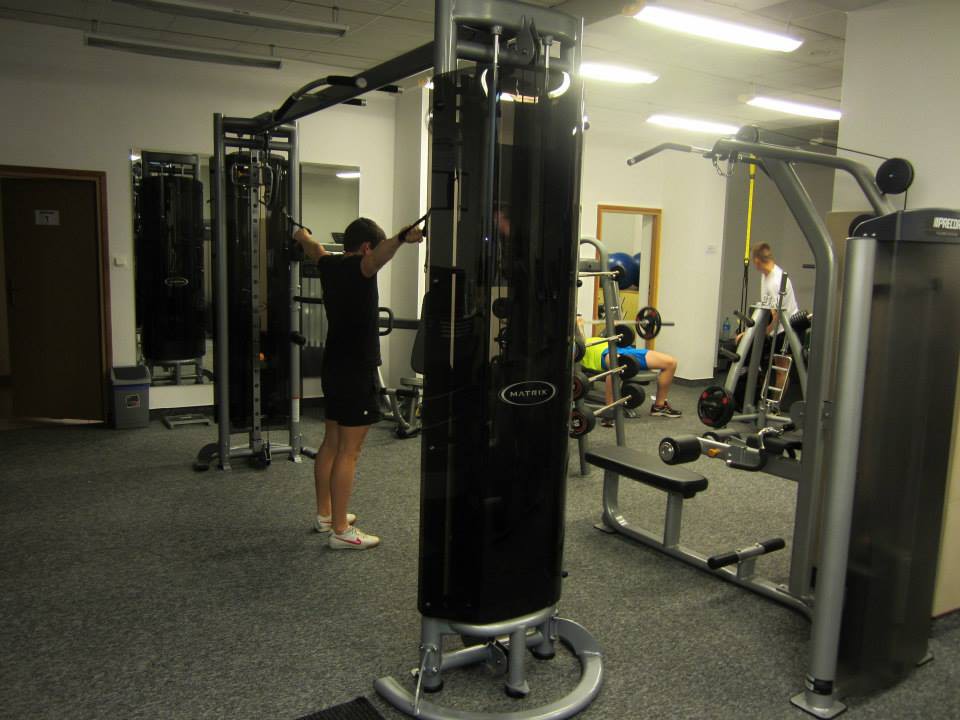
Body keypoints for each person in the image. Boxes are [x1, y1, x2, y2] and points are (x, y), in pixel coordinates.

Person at [293, 217, 424, 550]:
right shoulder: (360, 269)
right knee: (349, 452)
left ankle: (326, 515)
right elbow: (380, 255)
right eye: (373, 250)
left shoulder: (329, 265)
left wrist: (300, 235)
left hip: (334, 366)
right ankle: (341, 530)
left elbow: (313, 247)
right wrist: (402, 238)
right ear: (366, 247)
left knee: (331, 444)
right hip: (355, 370)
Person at [578, 318, 681, 419]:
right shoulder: (578, 347)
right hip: (603, 353)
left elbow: (613, 335)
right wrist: (580, 327)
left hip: (623, 348)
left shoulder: (598, 338)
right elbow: (581, 344)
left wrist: (614, 326)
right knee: (617, 365)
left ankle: (659, 406)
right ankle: (610, 410)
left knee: (670, 363)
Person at [750, 243, 800, 337]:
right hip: (776, 330)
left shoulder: (776, 281)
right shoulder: (765, 274)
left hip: (785, 333)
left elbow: (777, 318)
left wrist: (759, 334)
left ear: (757, 261)